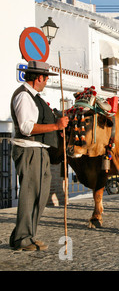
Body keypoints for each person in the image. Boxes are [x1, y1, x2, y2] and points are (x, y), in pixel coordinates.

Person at [9, 61, 69, 251]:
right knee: (29, 195)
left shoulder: (36, 97)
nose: (46, 82)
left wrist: (57, 128)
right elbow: (27, 128)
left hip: (40, 150)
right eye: (45, 78)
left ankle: (28, 235)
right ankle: (22, 239)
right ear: (39, 78)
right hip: (29, 150)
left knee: (40, 196)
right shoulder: (24, 97)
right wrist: (56, 126)